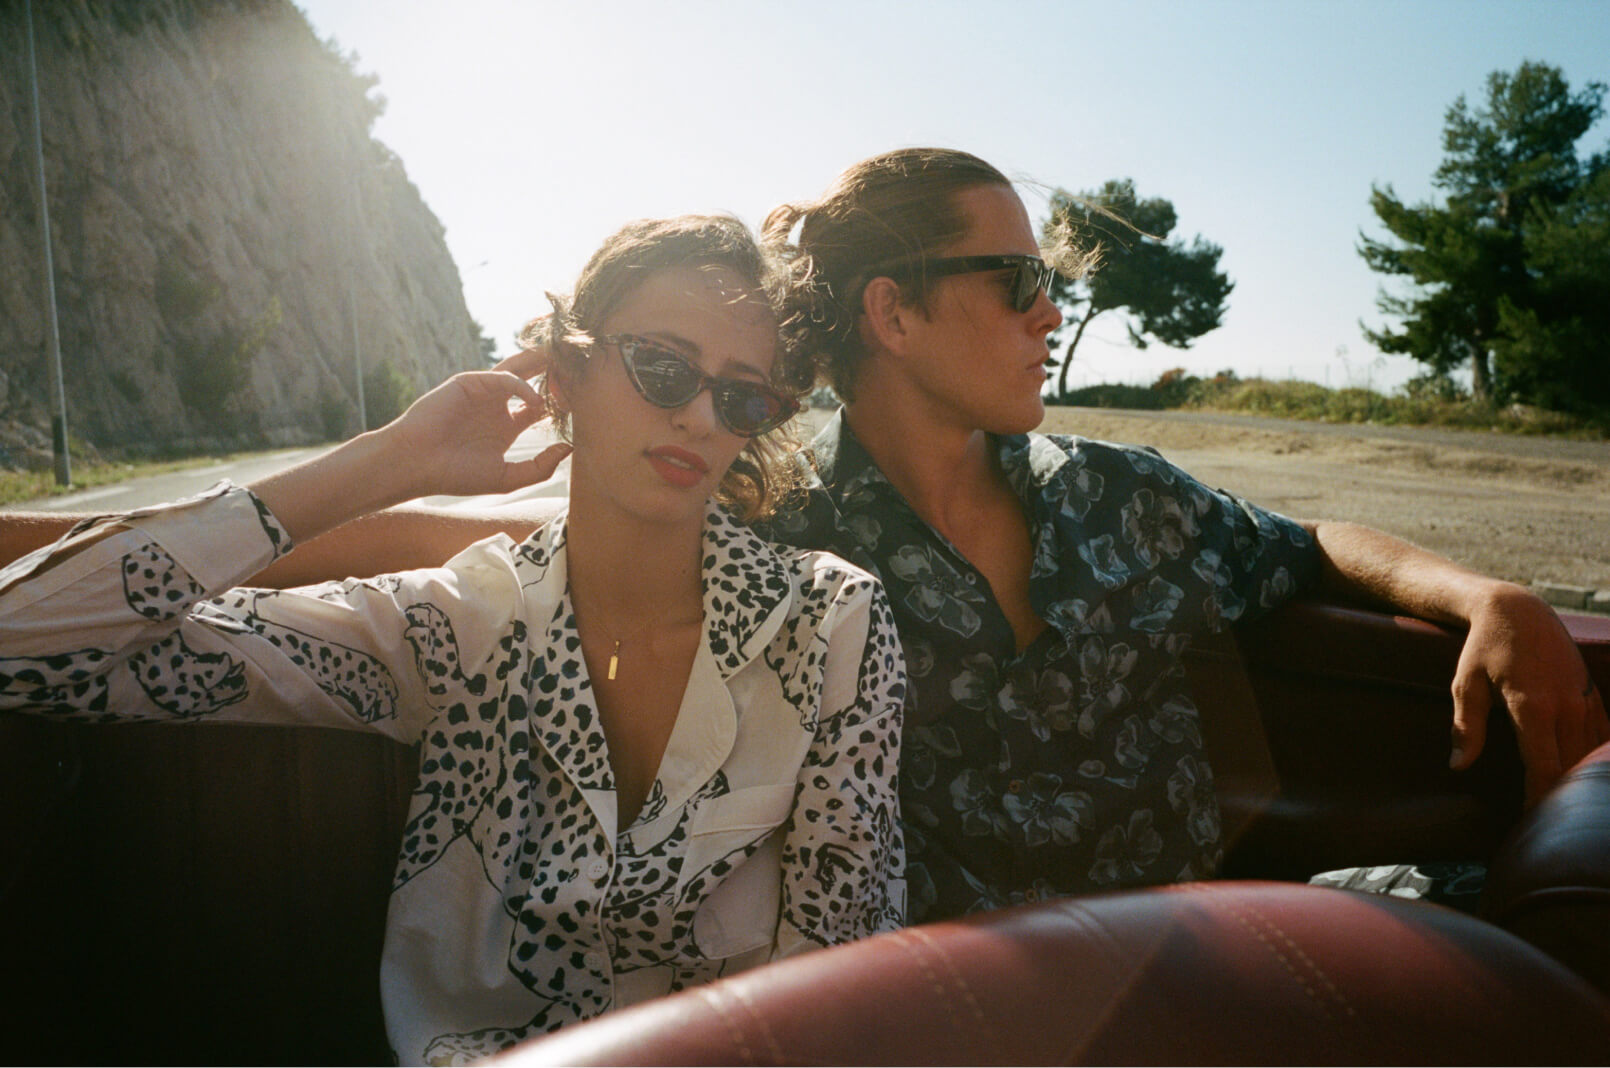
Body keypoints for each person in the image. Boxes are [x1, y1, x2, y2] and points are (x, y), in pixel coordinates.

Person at [5, 149, 1604, 919]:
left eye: (739, 396)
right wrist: (347, 481)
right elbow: (496, 537)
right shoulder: (610, 576)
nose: (703, 423)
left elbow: (1308, 543)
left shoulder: (1008, 542)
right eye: (1018, 281)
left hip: (1149, 968)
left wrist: (1485, 589)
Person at [0, 216, 906, 1064]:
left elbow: (839, 993)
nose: (702, 419)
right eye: (663, 368)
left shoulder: (828, 626)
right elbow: (19, 645)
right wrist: (392, 461)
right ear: (566, 374)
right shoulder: (456, 625)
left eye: (744, 397)